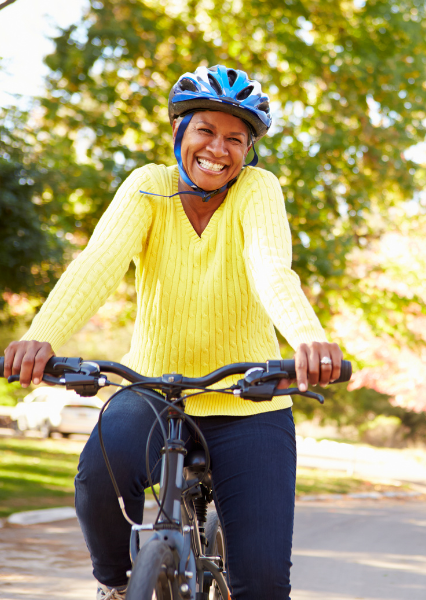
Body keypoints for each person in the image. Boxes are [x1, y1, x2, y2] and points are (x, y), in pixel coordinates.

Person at [3, 65, 343, 600]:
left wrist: (307, 336)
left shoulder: (258, 190)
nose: (219, 148)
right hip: (151, 390)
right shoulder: (148, 186)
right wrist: (41, 335)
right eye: (205, 130)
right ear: (179, 133)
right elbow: (98, 263)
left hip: (249, 400)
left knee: (263, 585)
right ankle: (117, 586)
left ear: (249, 151)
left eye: (236, 138)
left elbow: (270, 266)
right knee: (96, 480)